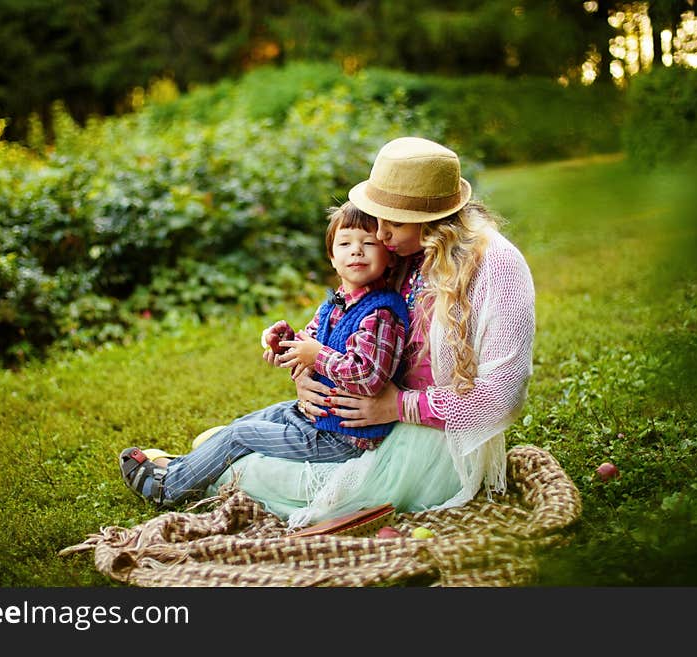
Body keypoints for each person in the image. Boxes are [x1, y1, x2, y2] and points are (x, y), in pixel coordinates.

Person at [206, 136, 536, 528]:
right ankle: (216, 457)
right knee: (226, 443)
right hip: (356, 425)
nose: (378, 235)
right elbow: (348, 330)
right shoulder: (398, 253)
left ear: (433, 221)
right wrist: (306, 375)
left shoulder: (496, 266)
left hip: (432, 438)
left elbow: (501, 398)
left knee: (247, 469)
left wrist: (397, 406)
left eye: (393, 222)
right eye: (376, 217)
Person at [119, 201, 410, 508]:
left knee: (240, 435)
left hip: (344, 439)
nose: (356, 251)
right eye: (345, 243)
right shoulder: (335, 304)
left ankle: (168, 488)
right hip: (317, 418)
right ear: (332, 256)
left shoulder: (380, 313)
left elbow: (369, 376)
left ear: (388, 257)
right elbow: (307, 346)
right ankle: (186, 468)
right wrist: (285, 342)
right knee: (245, 422)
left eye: (368, 243)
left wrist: (317, 355)